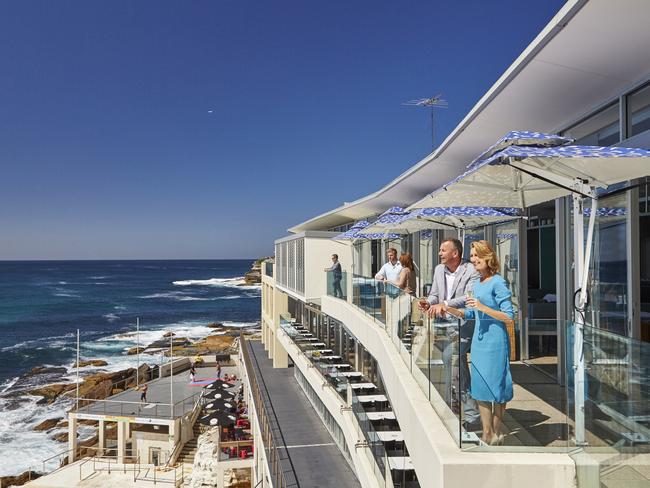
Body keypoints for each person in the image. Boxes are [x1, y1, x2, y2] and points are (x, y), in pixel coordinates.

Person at [446, 240, 515, 445]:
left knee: (498, 388)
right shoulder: (477, 284)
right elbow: (471, 313)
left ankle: (494, 431)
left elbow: (509, 316)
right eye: (472, 255)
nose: (473, 259)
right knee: (480, 389)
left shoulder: (498, 282)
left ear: (487, 257)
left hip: (496, 343)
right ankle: (487, 433)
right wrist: (449, 309)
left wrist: (482, 307)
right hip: (479, 342)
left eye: (476, 255)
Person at [417, 237, 480, 426]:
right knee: (455, 367)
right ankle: (469, 413)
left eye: (443, 250)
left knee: (449, 359)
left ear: (455, 253)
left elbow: (468, 297)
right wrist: (428, 302)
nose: (439, 253)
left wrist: (443, 304)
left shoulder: (471, 270)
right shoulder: (438, 270)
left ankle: (455, 409)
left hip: (464, 323)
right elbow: (435, 293)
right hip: (443, 326)